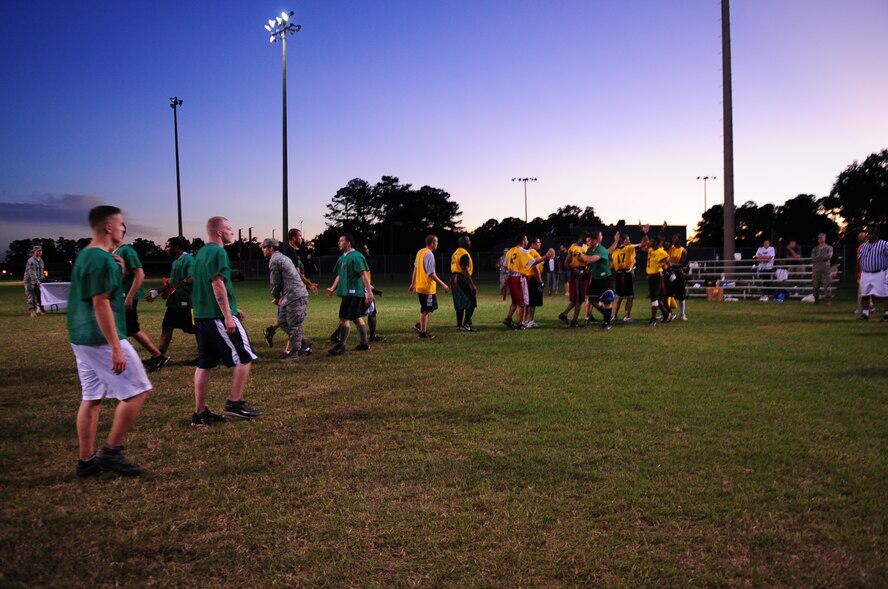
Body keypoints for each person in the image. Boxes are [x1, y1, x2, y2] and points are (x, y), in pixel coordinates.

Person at [69, 205, 151, 478]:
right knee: (138, 391)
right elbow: (100, 303)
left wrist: (119, 269)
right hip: (100, 337)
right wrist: (116, 345)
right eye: (121, 224)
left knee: (91, 399)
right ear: (108, 227)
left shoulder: (87, 255)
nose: (123, 228)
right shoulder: (102, 259)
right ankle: (111, 452)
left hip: (80, 337)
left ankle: (86, 461)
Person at [191, 216, 260, 426]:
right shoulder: (218, 252)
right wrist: (228, 316)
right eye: (229, 229)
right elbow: (217, 284)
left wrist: (232, 307)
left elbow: (205, 284)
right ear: (219, 232)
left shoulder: (201, 253)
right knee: (245, 356)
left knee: (204, 364)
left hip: (202, 316)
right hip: (216, 317)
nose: (232, 231)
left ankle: (200, 414)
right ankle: (235, 403)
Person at [114, 242, 169, 371]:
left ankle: (158, 356)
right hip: (120, 296)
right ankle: (158, 356)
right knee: (127, 329)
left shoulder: (127, 250)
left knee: (130, 328)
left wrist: (129, 297)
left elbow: (139, 274)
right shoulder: (114, 252)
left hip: (127, 296)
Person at [264, 228, 318, 348]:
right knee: (292, 321)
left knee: (288, 321)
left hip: (291, 292)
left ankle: (273, 331)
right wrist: (309, 284)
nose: (301, 238)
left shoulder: (291, 251)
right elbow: (296, 274)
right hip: (290, 293)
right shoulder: (288, 252)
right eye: (299, 236)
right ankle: (292, 349)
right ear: (293, 237)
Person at [326, 233, 375, 353]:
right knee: (356, 318)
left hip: (354, 292)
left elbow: (364, 275)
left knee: (344, 318)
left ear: (348, 242)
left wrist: (369, 292)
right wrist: (332, 288)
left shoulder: (356, 256)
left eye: (341, 241)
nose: (338, 243)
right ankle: (364, 344)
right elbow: (339, 275)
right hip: (346, 293)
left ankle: (341, 346)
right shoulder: (342, 257)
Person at [154, 237, 197, 364]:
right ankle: (160, 356)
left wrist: (175, 287)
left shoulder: (188, 259)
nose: (166, 248)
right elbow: (172, 283)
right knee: (167, 326)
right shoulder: (174, 262)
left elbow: (191, 277)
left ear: (177, 247)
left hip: (187, 302)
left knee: (197, 329)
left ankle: (206, 355)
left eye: (168, 246)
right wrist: (158, 291)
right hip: (174, 302)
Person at [409, 235, 449, 338]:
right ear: (432, 243)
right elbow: (431, 274)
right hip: (427, 288)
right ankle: (423, 333)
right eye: (436, 242)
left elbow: (415, 269)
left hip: (421, 287)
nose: (437, 244)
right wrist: (443, 284)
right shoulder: (429, 254)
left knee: (430, 308)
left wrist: (413, 283)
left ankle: (420, 325)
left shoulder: (420, 252)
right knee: (426, 310)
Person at [575, 233, 615, 330]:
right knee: (592, 299)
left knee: (607, 301)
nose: (587, 242)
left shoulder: (601, 250)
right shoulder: (589, 249)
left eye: (589, 241)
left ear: (595, 241)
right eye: (587, 241)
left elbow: (592, 259)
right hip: (596, 278)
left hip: (605, 278)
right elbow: (587, 262)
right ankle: (607, 315)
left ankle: (607, 323)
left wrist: (581, 254)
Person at [639, 227, 673, 326]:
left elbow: (667, 262)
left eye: (652, 241)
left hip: (657, 277)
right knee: (656, 297)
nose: (650, 242)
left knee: (654, 298)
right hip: (650, 276)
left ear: (657, 243)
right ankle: (667, 313)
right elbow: (643, 244)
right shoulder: (651, 249)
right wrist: (643, 233)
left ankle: (653, 319)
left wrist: (670, 272)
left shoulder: (661, 252)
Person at [558, 232, 589, 328]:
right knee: (579, 299)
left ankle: (564, 314)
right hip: (577, 275)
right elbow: (566, 263)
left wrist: (586, 270)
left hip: (583, 273)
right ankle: (574, 321)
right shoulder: (573, 247)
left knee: (578, 299)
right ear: (582, 237)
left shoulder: (586, 247)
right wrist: (574, 270)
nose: (587, 240)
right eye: (586, 238)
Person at [857, 227, 888, 322]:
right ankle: (865, 314)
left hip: (880, 272)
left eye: (871, 234)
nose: (869, 236)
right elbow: (859, 258)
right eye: (869, 234)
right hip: (865, 273)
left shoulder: (884, 244)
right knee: (865, 294)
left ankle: (887, 314)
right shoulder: (864, 245)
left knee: (885, 294)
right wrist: (858, 271)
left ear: (876, 235)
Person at [450, 235, 477, 331]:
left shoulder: (455, 252)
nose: (470, 242)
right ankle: (466, 324)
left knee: (459, 302)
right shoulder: (464, 253)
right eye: (468, 241)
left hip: (454, 278)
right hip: (461, 278)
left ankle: (459, 325)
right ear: (464, 243)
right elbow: (465, 270)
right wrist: (472, 285)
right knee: (472, 301)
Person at [610, 232, 636, 322]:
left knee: (619, 297)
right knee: (630, 296)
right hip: (628, 274)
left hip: (619, 274)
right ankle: (627, 317)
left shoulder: (615, 251)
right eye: (627, 239)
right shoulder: (630, 248)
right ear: (624, 241)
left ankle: (615, 315)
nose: (629, 241)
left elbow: (612, 266)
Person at [523, 237, 546, 328]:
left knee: (528, 301)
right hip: (533, 278)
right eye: (538, 242)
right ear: (533, 243)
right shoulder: (533, 252)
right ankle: (530, 321)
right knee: (532, 301)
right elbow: (535, 268)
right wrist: (540, 281)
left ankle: (525, 320)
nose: (540, 244)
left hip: (528, 278)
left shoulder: (527, 252)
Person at [667, 234, 689, 320]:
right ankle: (668, 313)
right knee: (668, 293)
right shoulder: (670, 248)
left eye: (675, 238)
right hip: (670, 272)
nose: (673, 240)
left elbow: (681, 264)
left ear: (679, 240)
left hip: (678, 273)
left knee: (681, 294)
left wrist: (671, 264)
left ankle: (682, 313)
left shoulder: (683, 251)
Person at [810, 233, 833, 305]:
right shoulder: (815, 249)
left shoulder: (829, 248)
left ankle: (828, 300)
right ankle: (816, 299)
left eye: (822, 238)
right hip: (816, 269)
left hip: (826, 269)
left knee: (827, 285)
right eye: (819, 238)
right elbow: (813, 258)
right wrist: (822, 257)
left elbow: (829, 256)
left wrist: (819, 257)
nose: (821, 239)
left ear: (825, 239)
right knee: (815, 285)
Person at [23, 244, 45, 317]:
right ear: (34, 251)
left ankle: (39, 309)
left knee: (39, 295)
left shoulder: (41, 261)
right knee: (31, 296)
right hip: (29, 281)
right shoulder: (31, 261)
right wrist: (36, 281)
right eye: (38, 251)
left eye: (41, 251)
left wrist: (42, 280)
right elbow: (32, 273)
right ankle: (32, 311)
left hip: (38, 281)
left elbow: (41, 272)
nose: (40, 252)